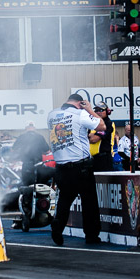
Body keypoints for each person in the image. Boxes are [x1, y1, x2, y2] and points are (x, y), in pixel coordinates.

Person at [48, 93, 105, 246]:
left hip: (61, 166)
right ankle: (91, 236)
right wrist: (90, 110)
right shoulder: (81, 114)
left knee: (64, 200)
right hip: (80, 166)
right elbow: (102, 126)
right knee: (89, 202)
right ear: (80, 103)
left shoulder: (52, 115)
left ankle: (58, 225)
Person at [88, 101, 116, 172]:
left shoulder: (108, 124)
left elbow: (94, 139)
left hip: (104, 158)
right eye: (96, 110)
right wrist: (90, 136)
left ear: (107, 111)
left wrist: (91, 136)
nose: (98, 112)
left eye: (101, 110)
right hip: (93, 158)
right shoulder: (92, 124)